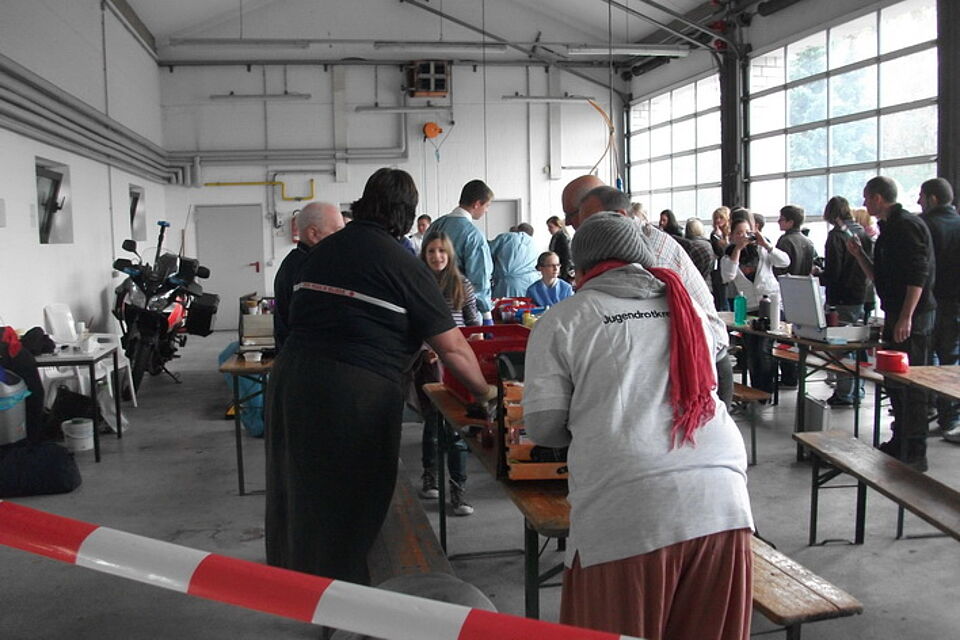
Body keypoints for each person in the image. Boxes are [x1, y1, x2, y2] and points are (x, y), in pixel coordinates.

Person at [523, 213, 753, 640]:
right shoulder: (688, 308)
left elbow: (543, 426)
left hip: (628, 509)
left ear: (580, 268)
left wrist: (597, 418)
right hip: (722, 501)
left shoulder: (564, 319)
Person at [265, 168, 494, 585]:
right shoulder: (402, 264)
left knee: (299, 493)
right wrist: (486, 393)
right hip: (354, 393)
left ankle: (300, 590)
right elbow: (454, 348)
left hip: (290, 381)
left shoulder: (320, 253)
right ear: (406, 214)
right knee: (352, 502)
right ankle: (345, 601)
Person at [571, 180, 734, 407]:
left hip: (703, 363)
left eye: (584, 219)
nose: (576, 226)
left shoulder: (646, 250)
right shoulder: (630, 244)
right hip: (686, 356)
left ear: (620, 215)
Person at [847, 176, 936, 471]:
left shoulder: (907, 226)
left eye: (866, 197)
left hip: (912, 317)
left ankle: (915, 450)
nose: (864, 203)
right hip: (896, 313)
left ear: (878, 198)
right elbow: (879, 278)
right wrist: (859, 256)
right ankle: (900, 440)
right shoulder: (887, 230)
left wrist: (907, 316)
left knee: (912, 383)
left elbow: (918, 274)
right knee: (894, 382)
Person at [413, 231, 480, 515]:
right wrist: (425, 349)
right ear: (424, 255)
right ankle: (430, 476)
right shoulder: (417, 283)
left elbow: (473, 323)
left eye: (442, 251)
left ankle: (458, 491)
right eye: (431, 251)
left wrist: (473, 343)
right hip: (428, 362)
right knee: (432, 423)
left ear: (449, 254)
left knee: (455, 427)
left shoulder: (462, 284)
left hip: (456, 363)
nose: (437, 256)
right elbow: (412, 325)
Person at [721, 217, 790, 394]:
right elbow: (728, 276)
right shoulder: (728, 256)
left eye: (747, 232)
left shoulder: (763, 250)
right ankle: (756, 390)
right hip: (749, 307)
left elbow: (784, 261)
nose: (743, 236)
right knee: (752, 351)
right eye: (739, 233)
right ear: (731, 236)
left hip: (771, 305)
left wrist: (766, 245)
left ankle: (766, 391)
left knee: (763, 349)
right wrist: (737, 249)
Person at [917, 178, 960, 443]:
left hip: (934, 302)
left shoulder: (925, 225)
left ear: (932, 198)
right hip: (956, 301)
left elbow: (920, 268)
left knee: (932, 360)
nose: (918, 201)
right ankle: (949, 418)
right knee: (950, 360)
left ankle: (940, 415)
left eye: (921, 196)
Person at [820, 196, 873, 406]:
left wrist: (819, 274)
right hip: (861, 295)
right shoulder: (862, 232)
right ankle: (858, 389)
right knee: (858, 343)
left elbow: (834, 271)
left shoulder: (836, 236)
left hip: (841, 296)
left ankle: (844, 393)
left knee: (841, 345)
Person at [273, 202, 344, 351]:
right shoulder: (309, 269)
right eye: (338, 231)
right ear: (313, 234)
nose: (344, 238)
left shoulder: (295, 262)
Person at [427, 180, 495, 321]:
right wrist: (486, 314)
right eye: (487, 206)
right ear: (477, 204)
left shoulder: (436, 225)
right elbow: (479, 280)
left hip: (430, 302)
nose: (487, 210)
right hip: (460, 308)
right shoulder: (473, 235)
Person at [773, 205, 815, 387]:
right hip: (804, 293)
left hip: (786, 292)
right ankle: (798, 374)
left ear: (790, 221)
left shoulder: (785, 241)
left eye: (781, 219)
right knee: (800, 336)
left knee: (785, 337)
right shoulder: (808, 242)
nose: (778, 221)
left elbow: (778, 268)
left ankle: (789, 375)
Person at [488, 223, 539, 298]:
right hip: (530, 283)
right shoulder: (534, 244)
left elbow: (486, 253)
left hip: (508, 285)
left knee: (506, 304)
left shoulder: (507, 237)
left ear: (517, 230)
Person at [710, 206, 731, 311]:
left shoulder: (731, 233)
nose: (718, 220)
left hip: (730, 266)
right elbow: (719, 252)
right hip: (718, 268)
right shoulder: (714, 234)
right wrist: (718, 238)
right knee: (721, 297)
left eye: (721, 217)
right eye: (716, 218)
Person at [546, 215, 574, 283]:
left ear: (558, 226)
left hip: (563, 270)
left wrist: (563, 274)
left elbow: (567, 257)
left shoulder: (563, 238)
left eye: (551, 227)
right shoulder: (555, 237)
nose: (549, 229)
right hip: (559, 269)